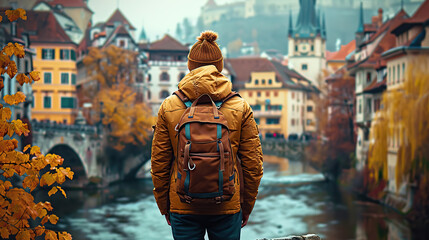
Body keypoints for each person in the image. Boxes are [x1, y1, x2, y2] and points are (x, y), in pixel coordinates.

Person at [151, 30, 263, 240]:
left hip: (182, 205)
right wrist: (245, 205)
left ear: (190, 66)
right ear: (219, 67)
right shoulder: (240, 106)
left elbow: (159, 164)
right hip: (227, 206)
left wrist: (165, 206)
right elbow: (253, 165)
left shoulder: (169, 106)